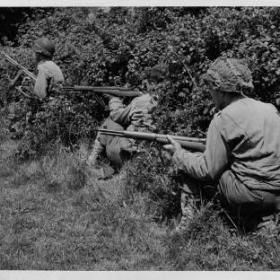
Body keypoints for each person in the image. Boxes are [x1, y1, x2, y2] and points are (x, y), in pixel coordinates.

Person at [164, 57, 280, 231]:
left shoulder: (223, 118)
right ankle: (261, 221)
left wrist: (178, 153)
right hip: (277, 194)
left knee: (190, 164)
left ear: (220, 89)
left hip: (250, 195)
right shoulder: (269, 108)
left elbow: (207, 171)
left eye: (211, 88)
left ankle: (189, 224)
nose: (210, 93)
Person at [87, 65, 164, 179]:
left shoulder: (141, 101)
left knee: (110, 122)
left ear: (152, 83)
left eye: (147, 83)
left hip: (128, 154)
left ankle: (91, 162)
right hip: (150, 155)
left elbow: (117, 116)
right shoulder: (168, 101)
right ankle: (117, 171)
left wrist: (113, 99)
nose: (145, 86)